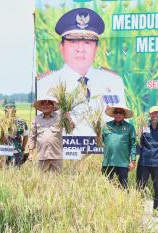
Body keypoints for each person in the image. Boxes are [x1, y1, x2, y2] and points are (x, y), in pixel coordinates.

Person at [37, 8, 127, 138]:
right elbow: (41, 126)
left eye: (88, 42)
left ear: (96, 48)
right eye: (73, 42)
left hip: (102, 152)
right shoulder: (46, 83)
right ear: (61, 47)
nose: (80, 49)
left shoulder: (113, 82)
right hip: (63, 152)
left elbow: (123, 124)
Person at [101, 106, 136, 189]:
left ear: (124, 115)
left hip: (123, 163)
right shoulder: (106, 126)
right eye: (116, 112)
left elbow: (133, 145)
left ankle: (123, 202)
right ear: (113, 114)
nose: (118, 114)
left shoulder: (130, 127)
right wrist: (97, 139)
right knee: (106, 188)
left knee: (123, 188)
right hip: (108, 162)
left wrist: (133, 161)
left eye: (120, 112)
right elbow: (100, 143)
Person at [28, 97, 64, 172]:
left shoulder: (60, 118)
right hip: (42, 155)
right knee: (42, 179)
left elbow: (71, 127)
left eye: (48, 104)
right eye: (43, 105)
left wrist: (68, 117)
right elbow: (32, 137)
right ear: (41, 107)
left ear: (52, 106)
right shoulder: (37, 119)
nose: (45, 106)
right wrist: (31, 153)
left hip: (56, 155)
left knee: (58, 179)